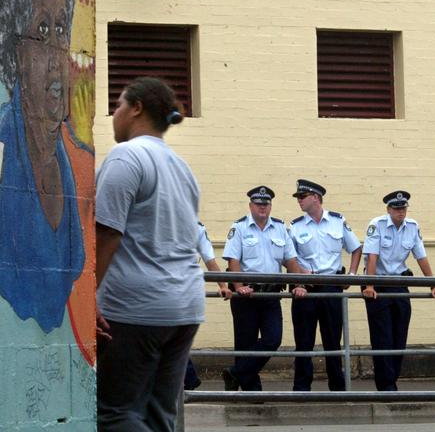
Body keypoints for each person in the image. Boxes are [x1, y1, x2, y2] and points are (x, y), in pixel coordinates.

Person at [95, 77, 204, 431]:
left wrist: (87, 297)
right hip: (185, 307)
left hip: (135, 308)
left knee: (114, 414)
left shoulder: (127, 156)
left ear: (137, 108)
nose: (114, 114)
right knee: (159, 415)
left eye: (118, 106)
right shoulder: (181, 167)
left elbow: (107, 232)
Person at [0, 0, 84, 332]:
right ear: (14, 55)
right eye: (41, 31)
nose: (57, 51)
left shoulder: (65, 159)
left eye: (62, 29)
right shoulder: (0, 161)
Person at [221, 186, 307, 392]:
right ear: (251, 205)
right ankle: (251, 391)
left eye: (266, 204)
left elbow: (290, 260)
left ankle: (235, 374)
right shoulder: (239, 228)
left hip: (270, 295)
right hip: (247, 295)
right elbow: (233, 260)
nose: (262, 207)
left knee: (273, 339)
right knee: (245, 343)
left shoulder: (279, 228)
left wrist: (300, 284)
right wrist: (239, 287)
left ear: (270, 206)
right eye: (258, 204)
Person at [362, 190, 435, 391]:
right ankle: (386, 386)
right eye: (396, 208)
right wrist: (370, 285)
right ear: (388, 209)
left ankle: (392, 380)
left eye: (403, 208)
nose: (401, 212)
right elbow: (372, 257)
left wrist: (433, 284)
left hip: (399, 282)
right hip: (378, 282)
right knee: (383, 337)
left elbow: (421, 257)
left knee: (399, 336)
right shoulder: (377, 225)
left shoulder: (412, 227)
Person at [289, 179, 362, 391]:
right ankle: (301, 389)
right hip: (305, 288)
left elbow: (356, 248)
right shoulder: (295, 226)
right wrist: (298, 280)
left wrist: (351, 275)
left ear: (316, 198)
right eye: (298, 198)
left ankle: (338, 388)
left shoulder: (338, 221)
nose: (299, 201)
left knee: (333, 341)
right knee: (304, 342)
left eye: (302, 197)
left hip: (331, 286)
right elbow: (289, 258)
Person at [185, 222, 231, 390]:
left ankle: (188, 380)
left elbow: (209, 260)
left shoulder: (196, 228)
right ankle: (188, 379)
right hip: (162, 290)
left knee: (175, 337)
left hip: (183, 291)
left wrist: (223, 286)